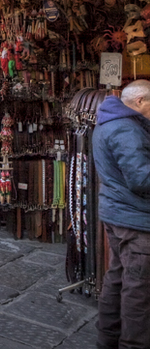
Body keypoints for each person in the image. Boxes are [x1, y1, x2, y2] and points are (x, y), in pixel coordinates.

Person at [93, 80, 150, 349]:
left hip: (117, 214)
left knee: (117, 278)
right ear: (140, 101)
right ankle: (133, 344)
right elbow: (141, 178)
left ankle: (108, 338)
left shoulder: (110, 121)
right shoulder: (127, 129)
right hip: (135, 219)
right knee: (138, 290)